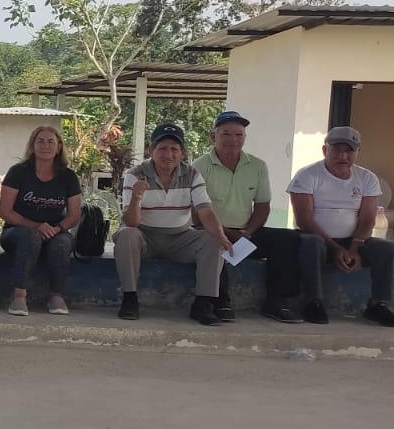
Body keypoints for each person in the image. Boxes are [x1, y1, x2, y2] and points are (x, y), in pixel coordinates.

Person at [114, 122, 231, 325]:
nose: (168, 155)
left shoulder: (192, 174)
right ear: (151, 150)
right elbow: (132, 222)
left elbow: (205, 210)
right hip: (145, 237)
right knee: (126, 235)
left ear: (182, 152)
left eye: (174, 149)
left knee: (213, 240)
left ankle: (203, 303)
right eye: (162, 148)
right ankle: (130, 298)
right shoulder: (135, 174)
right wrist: (136, 198)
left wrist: (221, 235)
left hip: (180, 238)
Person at [191, 110, 303, 323]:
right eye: (226, 133)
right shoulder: (199, 167)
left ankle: (278, 302)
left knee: (287, 239)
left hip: (246, 232)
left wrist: (247, 232)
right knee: (211, 242)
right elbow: (196, 214)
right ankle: (220, 302)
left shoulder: (257, 166)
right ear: (213, 136)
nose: (233, 140)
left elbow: (262, 206)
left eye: (239, 135)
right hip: (211, 230)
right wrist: (225, 233)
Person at [287, 126, 394, 327]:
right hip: (317, 239)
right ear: (324, 150)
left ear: (357, 152)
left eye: (349, 151)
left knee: (386, 249)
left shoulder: (367, 178)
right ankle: (313, 302)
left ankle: (379, 304)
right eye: (336, 149)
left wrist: (354, 248)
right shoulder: (307, 175)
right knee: (311, 244)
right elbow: (304, 219)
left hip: (353, 242)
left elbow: (367, 218)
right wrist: (336, 248)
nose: (343, 156)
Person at [0, 124, 83, 316]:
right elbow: (4, 211)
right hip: (17, 232)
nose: (45, 146)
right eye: (40, 141)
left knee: (63, 243)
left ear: (58, 147)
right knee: (31, 236)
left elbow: (74, 215)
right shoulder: (18, 172)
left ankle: (56, 296)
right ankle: (19, 296)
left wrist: (56, 229)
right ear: (32, 146)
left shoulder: (68, 177)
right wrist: (36, 226)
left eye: (51, 142)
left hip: (55, 232)